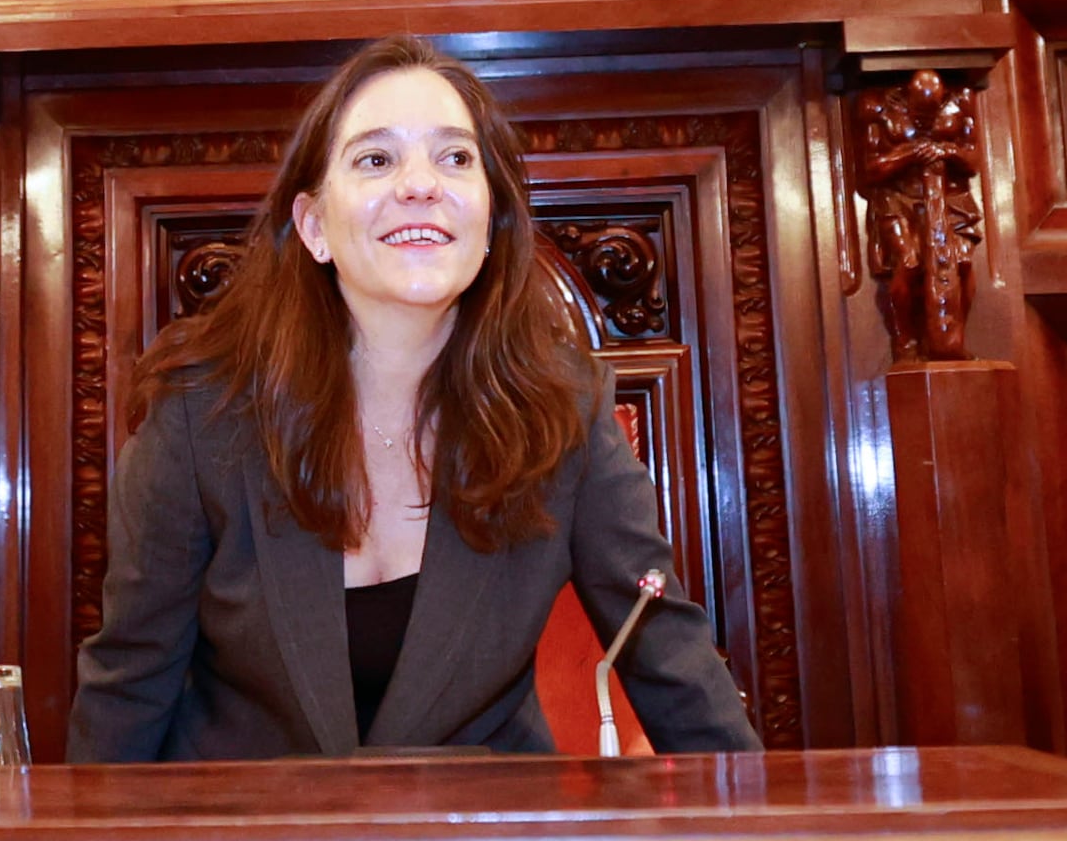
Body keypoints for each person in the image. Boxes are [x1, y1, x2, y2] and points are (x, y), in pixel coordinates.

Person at [75, 38, 760, 760]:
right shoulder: (200, 415)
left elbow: (669, 654)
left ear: (489, 220)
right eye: (375, 158)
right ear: (313, 227)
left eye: (455, 157)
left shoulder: (566, 412)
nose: (420, 184)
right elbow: (130, 687)